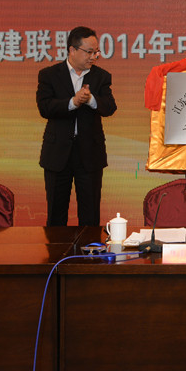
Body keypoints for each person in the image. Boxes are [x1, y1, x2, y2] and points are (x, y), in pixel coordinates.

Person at [37, 26, 117, 226]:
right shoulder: (49, 75)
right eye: (89, 52)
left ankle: (89, 248)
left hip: (89, 155)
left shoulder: (101, 76)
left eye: (96, 52)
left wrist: (91, 100)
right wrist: (72, 102)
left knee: (90, 216)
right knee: (56, 215)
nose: (94, 57)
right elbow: (45, 108)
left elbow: (110, 107)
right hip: (57, 155)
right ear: (72, 50)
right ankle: (56, 248)